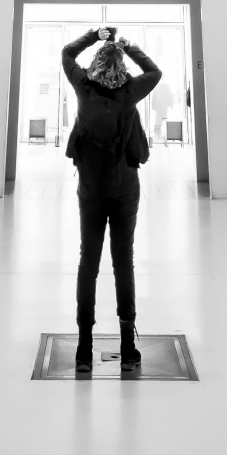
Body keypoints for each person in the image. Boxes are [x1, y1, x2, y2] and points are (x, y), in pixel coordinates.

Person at [61, 25, 161, 374]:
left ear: (95, 64)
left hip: (91, 189)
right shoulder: (130, 91)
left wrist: (96, 35)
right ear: (121, 66)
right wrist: (128, 45)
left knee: (88, 263)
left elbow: (66, 53)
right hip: (124, 189)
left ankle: (83, 349)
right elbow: (154, 72)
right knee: (123, 263)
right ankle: (127, 346)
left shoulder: (83, 86)